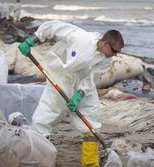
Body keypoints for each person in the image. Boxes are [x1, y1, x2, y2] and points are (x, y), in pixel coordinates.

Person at [18, 20, 124, 167]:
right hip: (59, 78)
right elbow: (53, 27)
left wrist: (79, 94)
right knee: (43, 120)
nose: (116, 55)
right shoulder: (81, 37)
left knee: (90, 123)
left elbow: (91, 78)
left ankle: (90, 163)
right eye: (115, 51)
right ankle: (42, 159)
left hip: (82, 85)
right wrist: (33, 40)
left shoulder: (106, 60)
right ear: (106, 44)